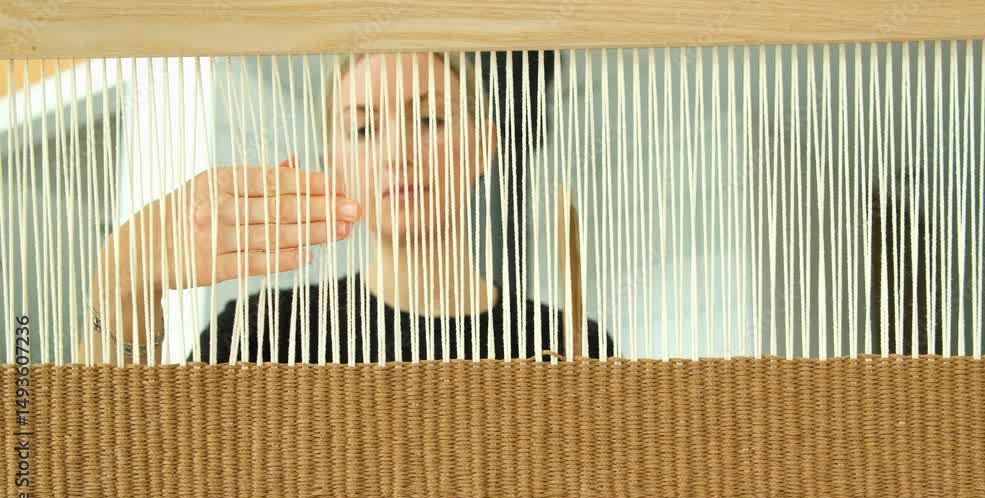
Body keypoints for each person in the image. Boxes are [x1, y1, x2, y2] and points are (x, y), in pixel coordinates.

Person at [80, 51, 615, 365]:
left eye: (430, 120)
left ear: (482, 148)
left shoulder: (570, 347)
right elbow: (111, 467)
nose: (398, 153)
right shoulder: (264, 336)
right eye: (362, 129)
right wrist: (121, 282)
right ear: (333, 165)